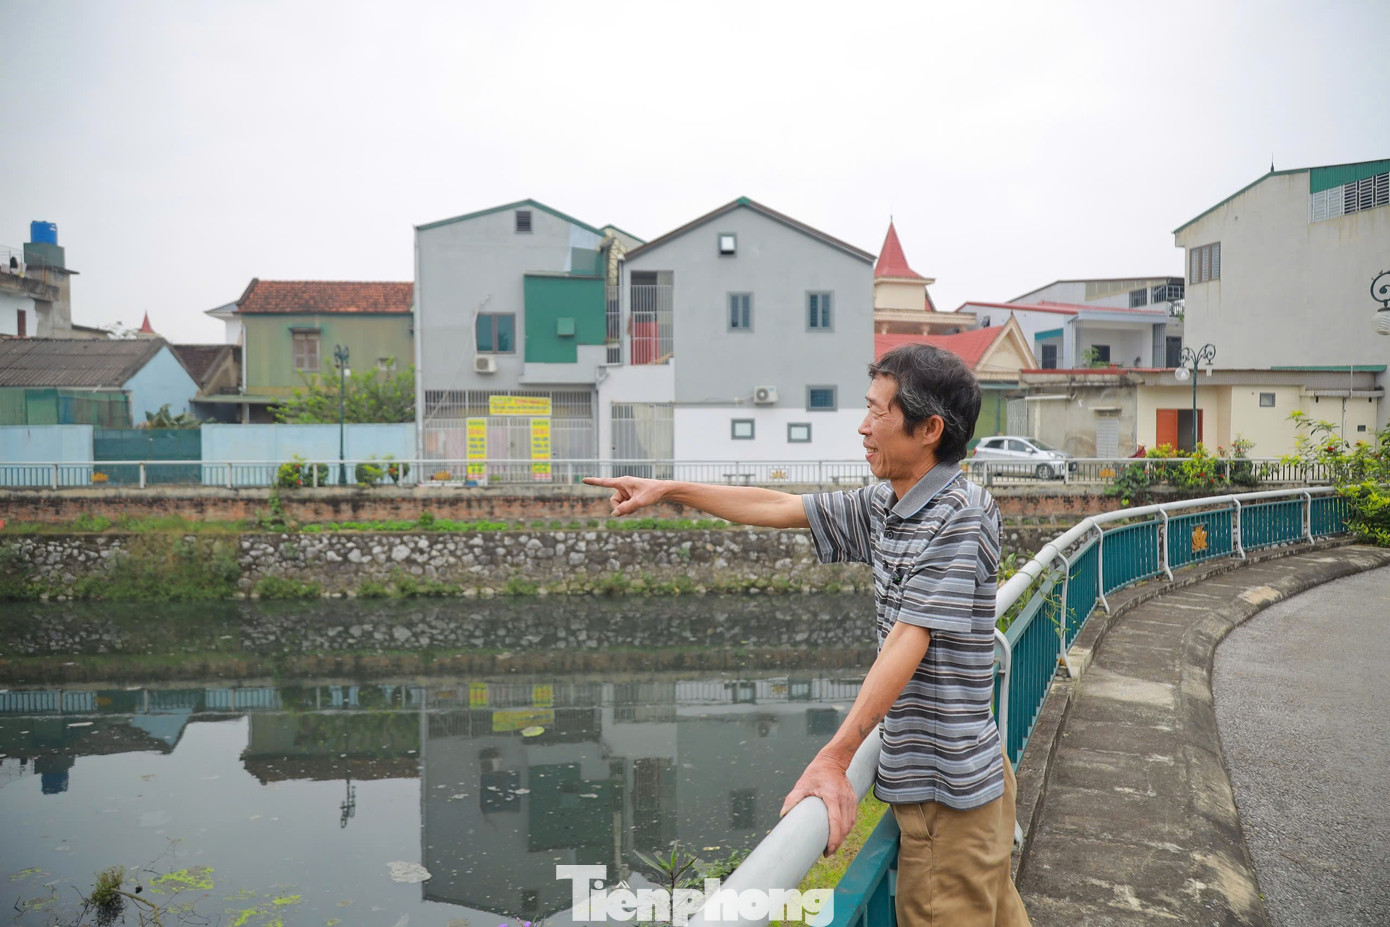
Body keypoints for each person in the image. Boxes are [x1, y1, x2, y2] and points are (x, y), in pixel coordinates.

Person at [584, 343, 1029, 926]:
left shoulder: (958, 511)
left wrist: (834, 757)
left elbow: (909, 639)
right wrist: (670, 490)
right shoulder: (891, 503)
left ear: (929, 429)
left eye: (878, 413)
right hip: (963, 776)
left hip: (945, 797)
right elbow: (779, 505)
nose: (863, 428)